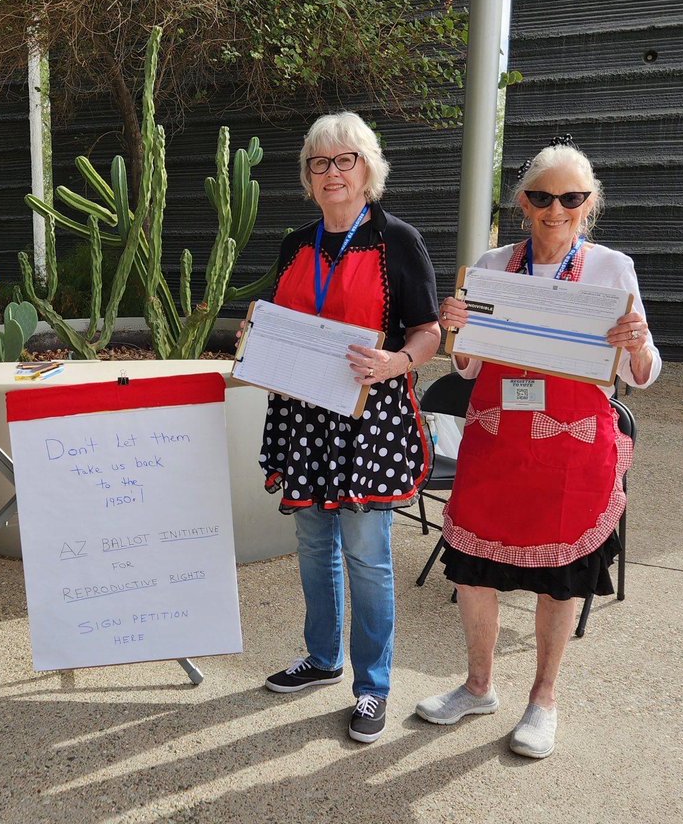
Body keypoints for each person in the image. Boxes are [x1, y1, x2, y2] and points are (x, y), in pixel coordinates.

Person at [415, 137, 660, 760]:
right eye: (544, 197)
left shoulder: (612, 268)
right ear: (524, 202)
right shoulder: (494, 264)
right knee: (474, 573)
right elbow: (467, 369)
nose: (557, 210)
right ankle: (477, 686)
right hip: (498, 440)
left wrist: (633, 342)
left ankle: (543, 698)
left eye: (572, 198)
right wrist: (457, 332)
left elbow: (641, 374)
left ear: (589, 203)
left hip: (574, 449)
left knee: (559, 579)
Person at [259, 112, 441, 744]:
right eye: (320, 163)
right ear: (309, 177)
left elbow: (428, 331)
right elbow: (279, 326)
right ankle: (322, 658)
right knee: (313, 546)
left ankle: (373, 687)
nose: (332, 173)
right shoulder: (295, 244)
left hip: (371, 421)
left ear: (369, 170)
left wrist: (398, 362)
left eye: (345, 161)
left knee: (367, 556)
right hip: (306, 417)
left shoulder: (398, 241)